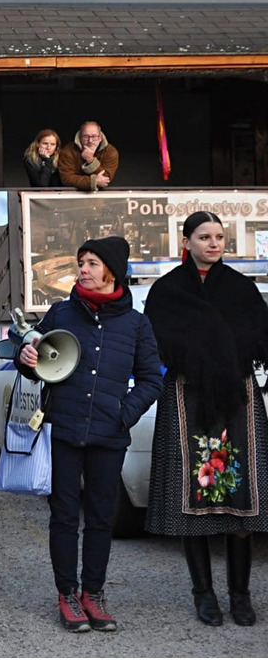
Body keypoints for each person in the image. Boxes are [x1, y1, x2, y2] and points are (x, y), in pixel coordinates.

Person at [15, 236, 161, 633]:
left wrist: (123, 414)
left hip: (109, 436)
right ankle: (67, 594)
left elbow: (151, 379)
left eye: (92, 263)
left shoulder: (135, 323)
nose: (82, 269)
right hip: (62, 430)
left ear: (112, 271)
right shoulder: (61, 313)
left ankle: (93, 594)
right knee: (63, 517)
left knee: (100, 518)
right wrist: (26, 359)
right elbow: (35, 359)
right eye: (81, 262)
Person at [143, 211, 268, 628]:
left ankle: (240, 596)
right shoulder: (167, 291)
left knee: (241, 501)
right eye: (204, 237)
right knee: (190, 502)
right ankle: (204, 595)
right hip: (187, 396)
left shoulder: (241, 288)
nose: (214, 244)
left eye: (219, 237)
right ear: (187, 240)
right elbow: (157, 343)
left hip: (237, 399)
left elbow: (260, 335)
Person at [58, 121, 118, 192]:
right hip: (73, 195)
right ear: (80, 137)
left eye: (94, 136)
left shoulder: (110, 152)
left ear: (100, 137)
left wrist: (91, 160)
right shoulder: (68, 151)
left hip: (101, 194)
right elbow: (66, 179)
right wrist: (93, 181)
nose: (90, 141)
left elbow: (105, 179)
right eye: (86, 136)